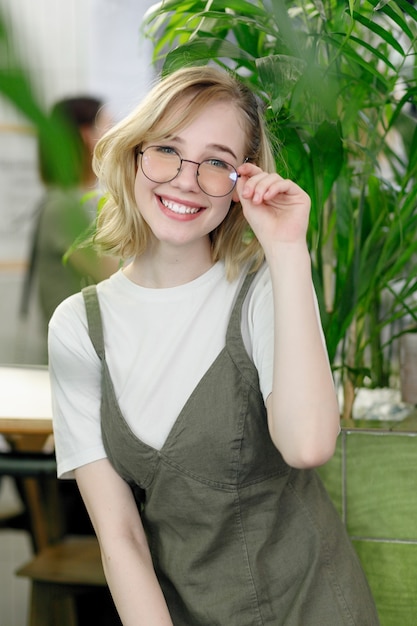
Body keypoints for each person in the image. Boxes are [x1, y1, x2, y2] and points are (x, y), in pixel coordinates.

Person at [49, 66, 380, 625]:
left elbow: (307, 446)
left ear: (239, 184)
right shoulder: (78, 329)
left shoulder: (261, 290)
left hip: (313, 607)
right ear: (134, 156)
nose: (185, 179)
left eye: (217, 162)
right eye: (167, 149)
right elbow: (121, 538)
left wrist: (287, 250)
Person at [22, 96, 118, 357]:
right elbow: (116, 275)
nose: (118, 137)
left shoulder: (68, 201)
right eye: (109, 127)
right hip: (75, 362)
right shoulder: (64, 208)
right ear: (86, 136)